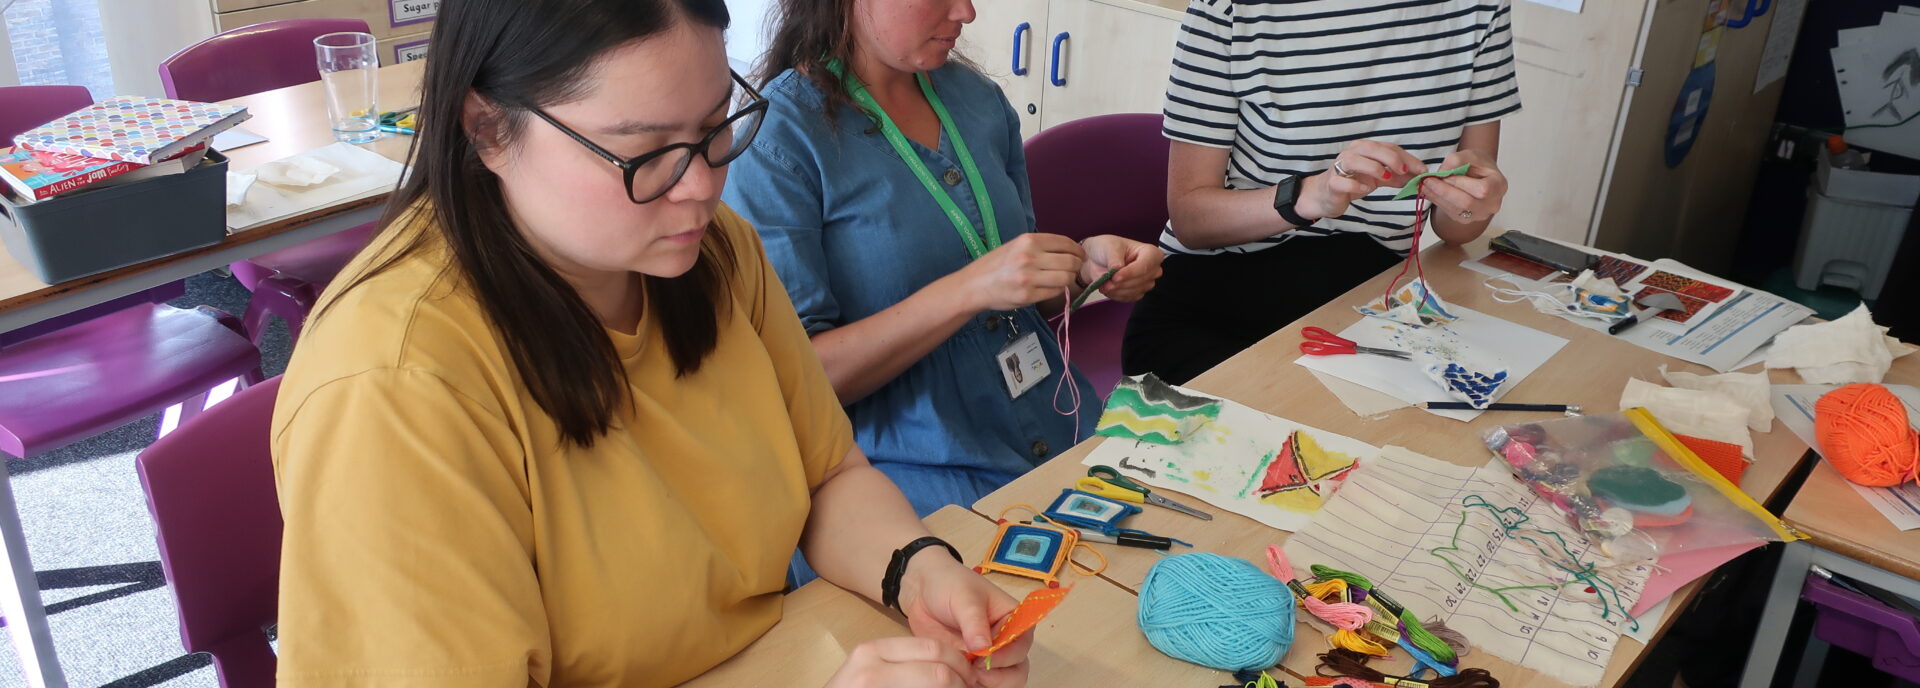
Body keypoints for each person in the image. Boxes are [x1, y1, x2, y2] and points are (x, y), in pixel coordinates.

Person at [269, 0, 1029, 685]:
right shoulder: (394, 386)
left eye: (712, 129)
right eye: (642, 151)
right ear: (488, 129)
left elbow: (825, 473)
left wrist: (919, 569)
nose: (701, 186)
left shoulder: (713, 252)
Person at [723, 0, 1165, 520]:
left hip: (1061, 422)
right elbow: (794, 378)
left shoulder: (977, 100)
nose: (968, 12)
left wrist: (1084, 266)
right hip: (912, 474)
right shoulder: (778, 141)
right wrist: (969, 289)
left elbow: (1021, 289)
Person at [1123, 0, 1522, 385]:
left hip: (1367, 302)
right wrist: (1312, 196)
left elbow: (1458, 229)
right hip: (1216, 297)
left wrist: (1473, 203)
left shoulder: (1480, 7)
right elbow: (1191, 218)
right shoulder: (1231, 8)